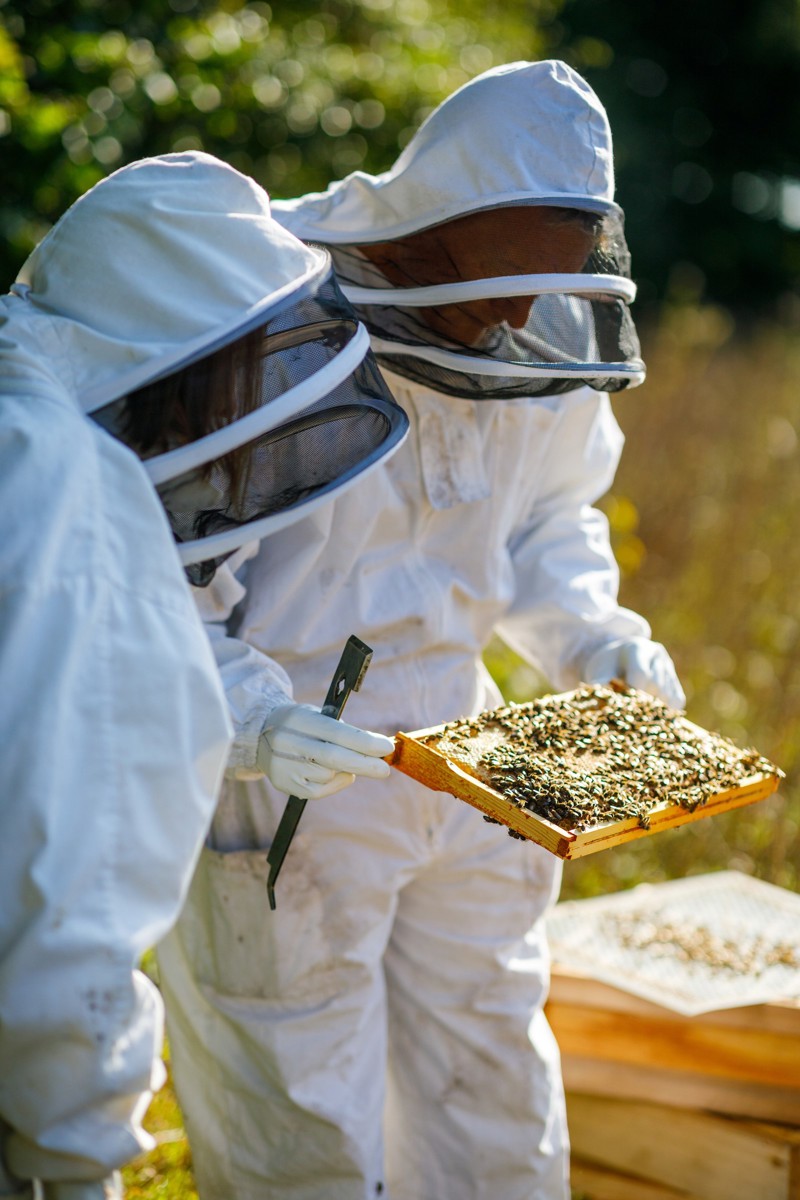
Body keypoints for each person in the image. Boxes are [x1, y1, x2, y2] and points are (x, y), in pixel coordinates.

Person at [156, 63, 685, 1200]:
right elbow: (162, 588)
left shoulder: (545, 332)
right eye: (505, 271)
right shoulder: (270, 326)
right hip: (291, 776)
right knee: (303, 1114)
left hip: (472, 763)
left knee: (489, 1080)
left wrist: (596, 638)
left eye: (553, 273)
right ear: (437, 226)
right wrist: (254, 724)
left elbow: (547, 519)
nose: (521, 314)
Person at [0, 152, 407, 1200]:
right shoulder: (64, 484)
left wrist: (258, 718)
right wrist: (77, 1147)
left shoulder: (23, 417)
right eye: (246, 370)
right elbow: (62, 875)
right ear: (186, 355)